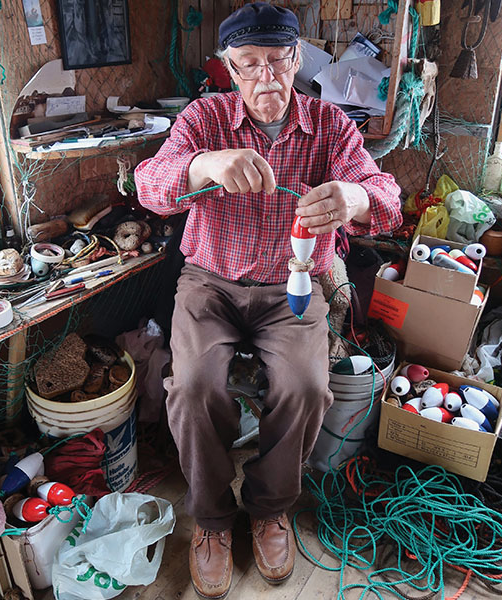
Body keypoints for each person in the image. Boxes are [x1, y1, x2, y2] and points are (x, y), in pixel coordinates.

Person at [135, 3, 402, 598]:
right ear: (229, 68)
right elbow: (150, 186)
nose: (265, 80)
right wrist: (205, 163)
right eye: (248, 65)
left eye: (278, 63)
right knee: (195, 385)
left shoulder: (331, 127)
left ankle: (269, 507)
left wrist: (353, 199)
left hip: (293, 289)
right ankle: (210, 519)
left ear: (298, 59)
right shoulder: (205, 118)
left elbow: (387, 195)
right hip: (210, 285)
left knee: (306, 384)